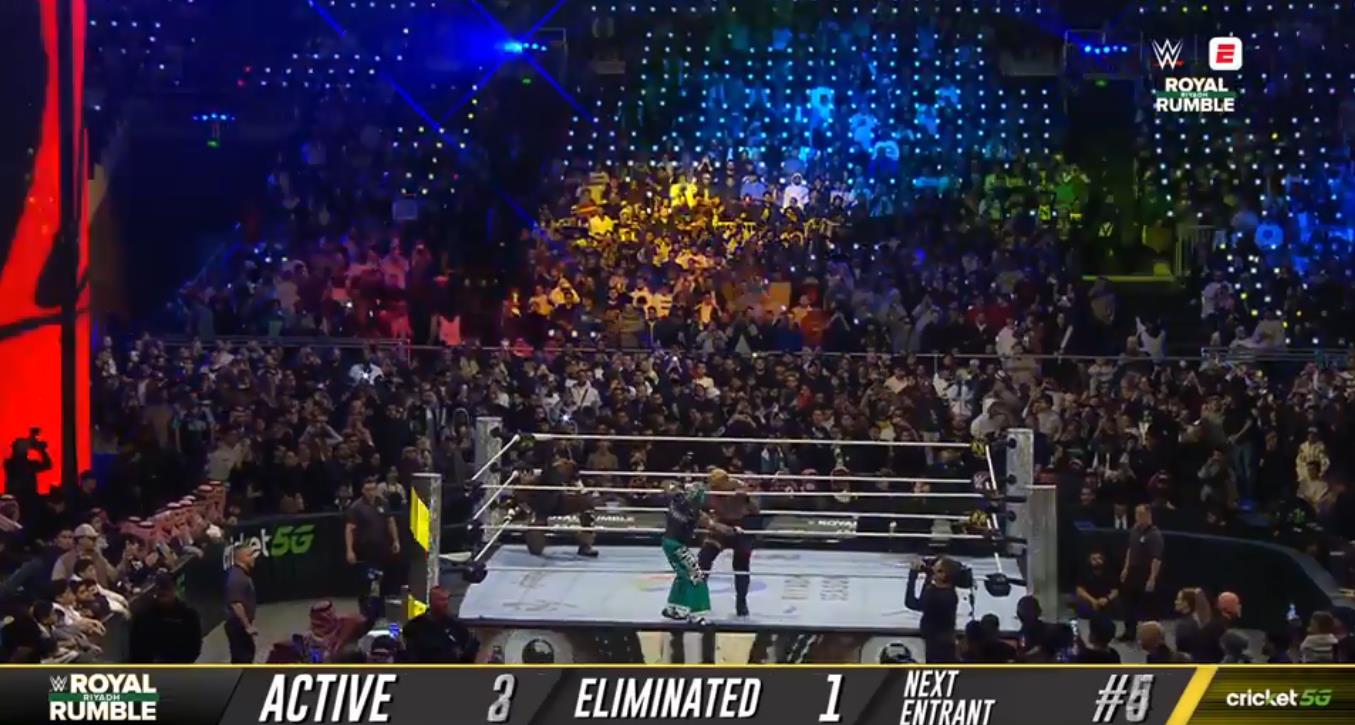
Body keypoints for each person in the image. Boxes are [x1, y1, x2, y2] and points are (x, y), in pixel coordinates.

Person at [660, 480, 727, 625]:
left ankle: (674, 608)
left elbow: (667, 485)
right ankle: (697, 614)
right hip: (676, 545)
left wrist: (675, 488)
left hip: (668, 542)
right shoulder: (693, 510)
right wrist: (730, 530)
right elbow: (711, 524)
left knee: (683, 575)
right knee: (697, 576)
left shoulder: (677, 498)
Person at [697, 468, 759, 617]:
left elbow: (756, 510)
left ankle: (741, 603)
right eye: (714, 486)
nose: (716, 489)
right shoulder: (708, 492)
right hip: (720, 526)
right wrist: (712, 523)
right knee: (703, 559)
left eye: (718, 486)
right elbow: (697, 511)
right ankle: (699, 598)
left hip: (741, 525)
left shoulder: (740, 488)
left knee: (741, 564)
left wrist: (747, 499)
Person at [513, 457, 599, 558]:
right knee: (535, 549)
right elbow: (521, 498)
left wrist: (578, 491)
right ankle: (536, 533)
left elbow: (581, 490)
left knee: (586, 503)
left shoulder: (569, 471)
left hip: (558, 501)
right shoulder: (536, 480)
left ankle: (585, 545)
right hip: (540, 507)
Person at [345, 477, 401, 620]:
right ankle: (365, 614)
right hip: (366, 552)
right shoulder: (356, 507)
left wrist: (395, 540)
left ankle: (382, 612)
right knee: (368, 583)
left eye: (373, 489)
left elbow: (390, 521)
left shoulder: (383, 503)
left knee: (384, 582)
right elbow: (349, 529)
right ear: (363, 491)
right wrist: (349, 550)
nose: (371, 492)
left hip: (382, 550)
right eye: (368, 490)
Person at [128, 572, 203, 663]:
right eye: (160, 588)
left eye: (166, 587)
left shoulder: (188, 615)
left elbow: (194, 649)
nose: (163, 592)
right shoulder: (145, 617)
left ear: (174, 589)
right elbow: (137, 652)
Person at [1119, 504, 1163, 641]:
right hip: (1132, 571)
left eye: (1141, 514)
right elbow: (1130, 550)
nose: (1138, 517)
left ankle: (1152, 635)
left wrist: (1152, 578)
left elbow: (1157, 558)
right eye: (1136, 514)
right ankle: (1129, 632)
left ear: (1148, 515)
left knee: (1147, 606)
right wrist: (1126, 568)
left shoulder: (1155, 535)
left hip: (1145, 572)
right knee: (1128, 604)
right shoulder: (1134, 530)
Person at [401, 587, 479, 662]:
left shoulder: (457, 626)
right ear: (431, 602)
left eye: (447, 599)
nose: (445, 603)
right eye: (441, 600)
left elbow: (468, 652)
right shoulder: (414, 626)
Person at [905, 556, 960, 663]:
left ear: (944, 574)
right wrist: (928, 573)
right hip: (944, 641)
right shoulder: (949, 591)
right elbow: (928, 590)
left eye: (937, 569)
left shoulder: (936, 596)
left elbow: (911, 603)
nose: (933, 569)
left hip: (937, 645)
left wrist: (913, 575)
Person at [224, 544, 258, 663]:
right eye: (249, 555)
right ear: (240, 558)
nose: (253, 558)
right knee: (242, 659)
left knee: (246, 656)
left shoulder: (241, 574)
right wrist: (247, 626)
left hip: (240, 626)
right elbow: (236, 604)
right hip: (237, 627)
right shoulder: (237, 578)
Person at [1074, 549, 1120, 619]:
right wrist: (1093, 601)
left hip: (1105, 600)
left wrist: (1106, 599)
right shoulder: (1085, 572)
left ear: (1103, 560)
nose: (1097, 561)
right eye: (1094, 559)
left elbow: (1115, 591)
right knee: (1081, 605)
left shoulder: (1109, 573)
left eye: (1099, 558)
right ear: (1089, 561)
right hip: (1090, 600)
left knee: (1117, 603)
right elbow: (1079, 590)